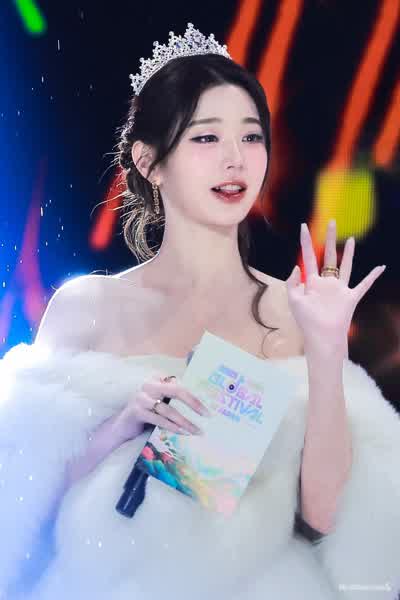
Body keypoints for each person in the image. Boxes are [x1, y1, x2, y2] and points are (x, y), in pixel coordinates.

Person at [0, 22, 399, 600]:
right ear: (149, 161)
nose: (235, 159)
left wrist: (327, 346)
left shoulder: (293, 310)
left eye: (252, 137)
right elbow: (23, 505)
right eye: (206, 137)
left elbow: (323, 518)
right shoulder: (86, 308)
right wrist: (121, 425)